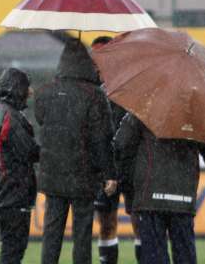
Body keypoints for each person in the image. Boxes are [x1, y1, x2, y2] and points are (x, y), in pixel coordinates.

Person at [114, 113, 205, 264]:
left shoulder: (145, 109)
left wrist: (124, 178)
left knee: (153, 258)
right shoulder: (198, 115)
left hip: (150, 197)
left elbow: (121, 144)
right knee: (185, 257)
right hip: (182, 198)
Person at [35, 38, 117, 264]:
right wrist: (109, 172)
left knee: (51, 234)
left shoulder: (46, 92)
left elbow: (41, 118)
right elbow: (103, 138)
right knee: (82, 235)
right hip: (83, 175)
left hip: (53, 175)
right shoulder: (95, 95)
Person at [0, 67, 40, 264]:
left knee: (10, 249)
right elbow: (29, 152)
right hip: (13, 194)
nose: (29, 92)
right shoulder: (11, 117)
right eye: (26, 87)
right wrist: (55, 152)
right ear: (17, 89)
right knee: (13, 252)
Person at [91, 36, 141, 264]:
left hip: (131, 166)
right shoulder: (90, 90)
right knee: (107, 223)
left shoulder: (130, 87)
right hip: (104, 167)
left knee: (139, 221)